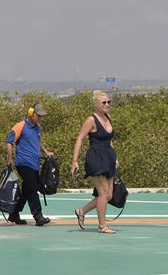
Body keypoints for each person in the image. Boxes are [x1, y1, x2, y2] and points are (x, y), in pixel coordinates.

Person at [70, 90, 118, 234]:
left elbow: (109, 141)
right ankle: (102, 226)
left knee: (108, 195)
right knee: (103, 193)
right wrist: (74, 161)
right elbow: (80, 138)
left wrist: (115, 158)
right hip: (96, 158)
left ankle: (82, 211)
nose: (107, 104)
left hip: (108, 157)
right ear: (96, 104)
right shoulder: (91, 120)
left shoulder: (108, 118)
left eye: (109, 102)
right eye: (104, 102)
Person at [5, 103, 54, 226]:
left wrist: (46, 152)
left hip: (34, 164)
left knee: (28, 189)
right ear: (32, 113)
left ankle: (14, 214)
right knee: (32, 188)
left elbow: (37, 142)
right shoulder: (20, 126)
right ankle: (38, 216)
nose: (40, 118)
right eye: (39, 115)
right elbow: (9, 142)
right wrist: (10, 158)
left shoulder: (37, 127)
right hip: (23, 163)